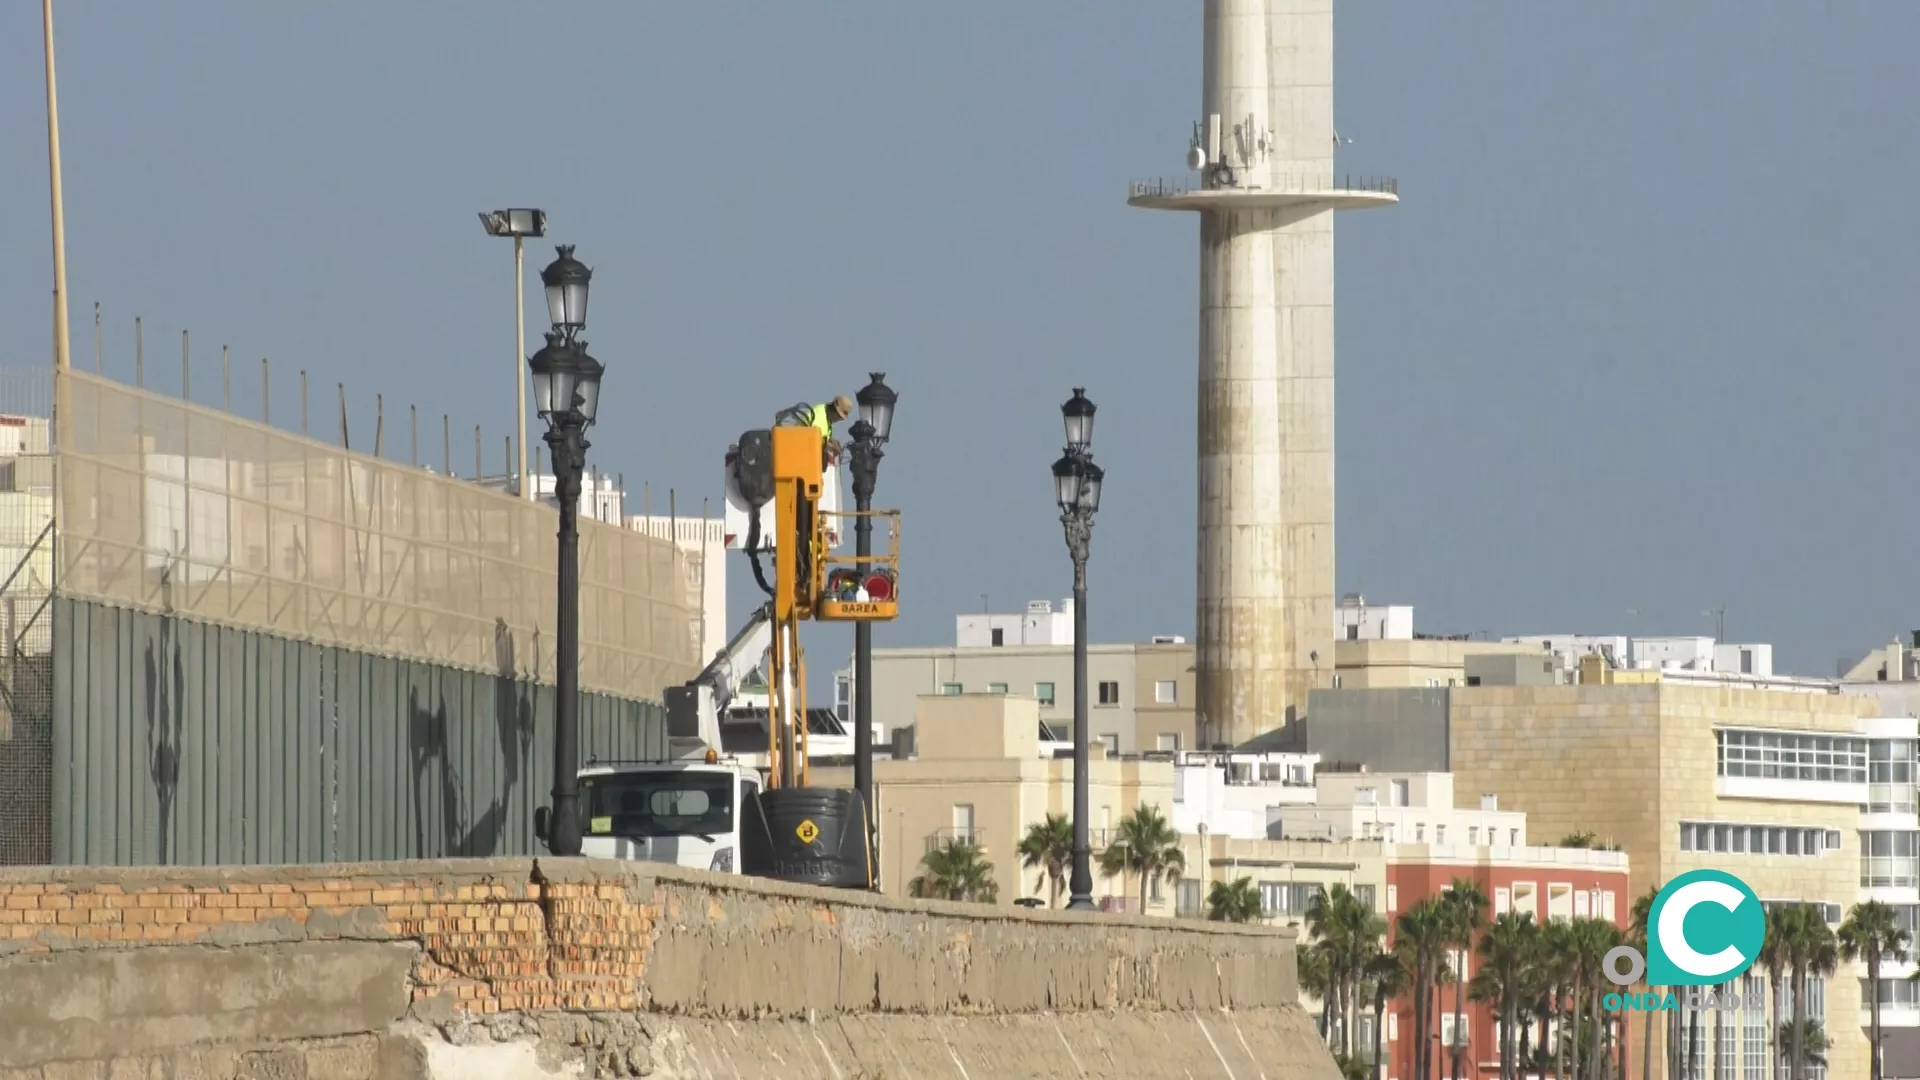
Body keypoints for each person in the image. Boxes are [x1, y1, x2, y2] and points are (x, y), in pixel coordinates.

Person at [774, 395, 853, 462]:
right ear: (835, 412)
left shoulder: (824, 412)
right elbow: (812, 441)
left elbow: (820, 434)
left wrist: (831, 440)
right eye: (840, 417)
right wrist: (832, 448)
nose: (839, 420)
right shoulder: (819, 417)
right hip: (796, 456)